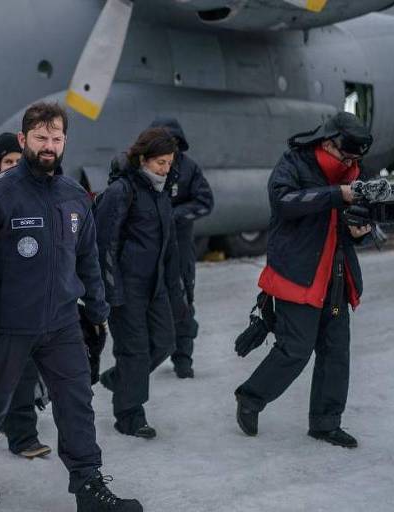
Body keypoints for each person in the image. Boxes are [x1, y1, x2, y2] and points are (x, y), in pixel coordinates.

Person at [0, 102, 142, 512]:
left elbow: (88, 256)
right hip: (8, 326)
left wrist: (97, 307)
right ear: (23, 140)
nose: (49, 146)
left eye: (56, 138)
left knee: (76, 403)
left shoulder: (74, 196)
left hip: (61, 324)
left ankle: (88, 485)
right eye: (40, 138)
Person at [234, 111, 373, 448]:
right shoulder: (294, 164)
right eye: (347, 155)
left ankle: (326, 422)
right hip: (299, 274)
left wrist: (360, 232)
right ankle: (251, 398)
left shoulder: (354, 173)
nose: (351, 163)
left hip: (337, 277)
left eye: (357, 158)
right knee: (295, 349)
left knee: (336, 351)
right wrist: (336, 195)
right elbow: (283, 202)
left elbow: (358, 220)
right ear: (328, 142)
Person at [95, 128, 188, 439]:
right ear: (143, 160)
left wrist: (177, 291)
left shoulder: (161, 193)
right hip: (127, 287)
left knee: (165, 342)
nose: (165, 169)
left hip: (156, 286)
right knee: (134, 351)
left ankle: (119, 379)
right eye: (160, 163)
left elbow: (170, 245)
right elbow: (104, 244)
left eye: (169, 163)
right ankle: (129, 416)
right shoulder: (122, 191)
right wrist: (112, 292)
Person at [0, 132, 53, 459]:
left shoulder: (37, 197)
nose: (14, 167)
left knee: (24, 372)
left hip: (28, 305)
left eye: (18, 161)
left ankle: (23, 436)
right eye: (7, 161)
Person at [149, 117, 214, 379]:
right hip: (149, 249)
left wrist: (173, 215)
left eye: (173, 143)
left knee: (184, 301)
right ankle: (150, 354)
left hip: (180, 248)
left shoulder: (189, 169)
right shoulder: (144, 168)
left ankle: (183, 357)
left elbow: (205, 202)